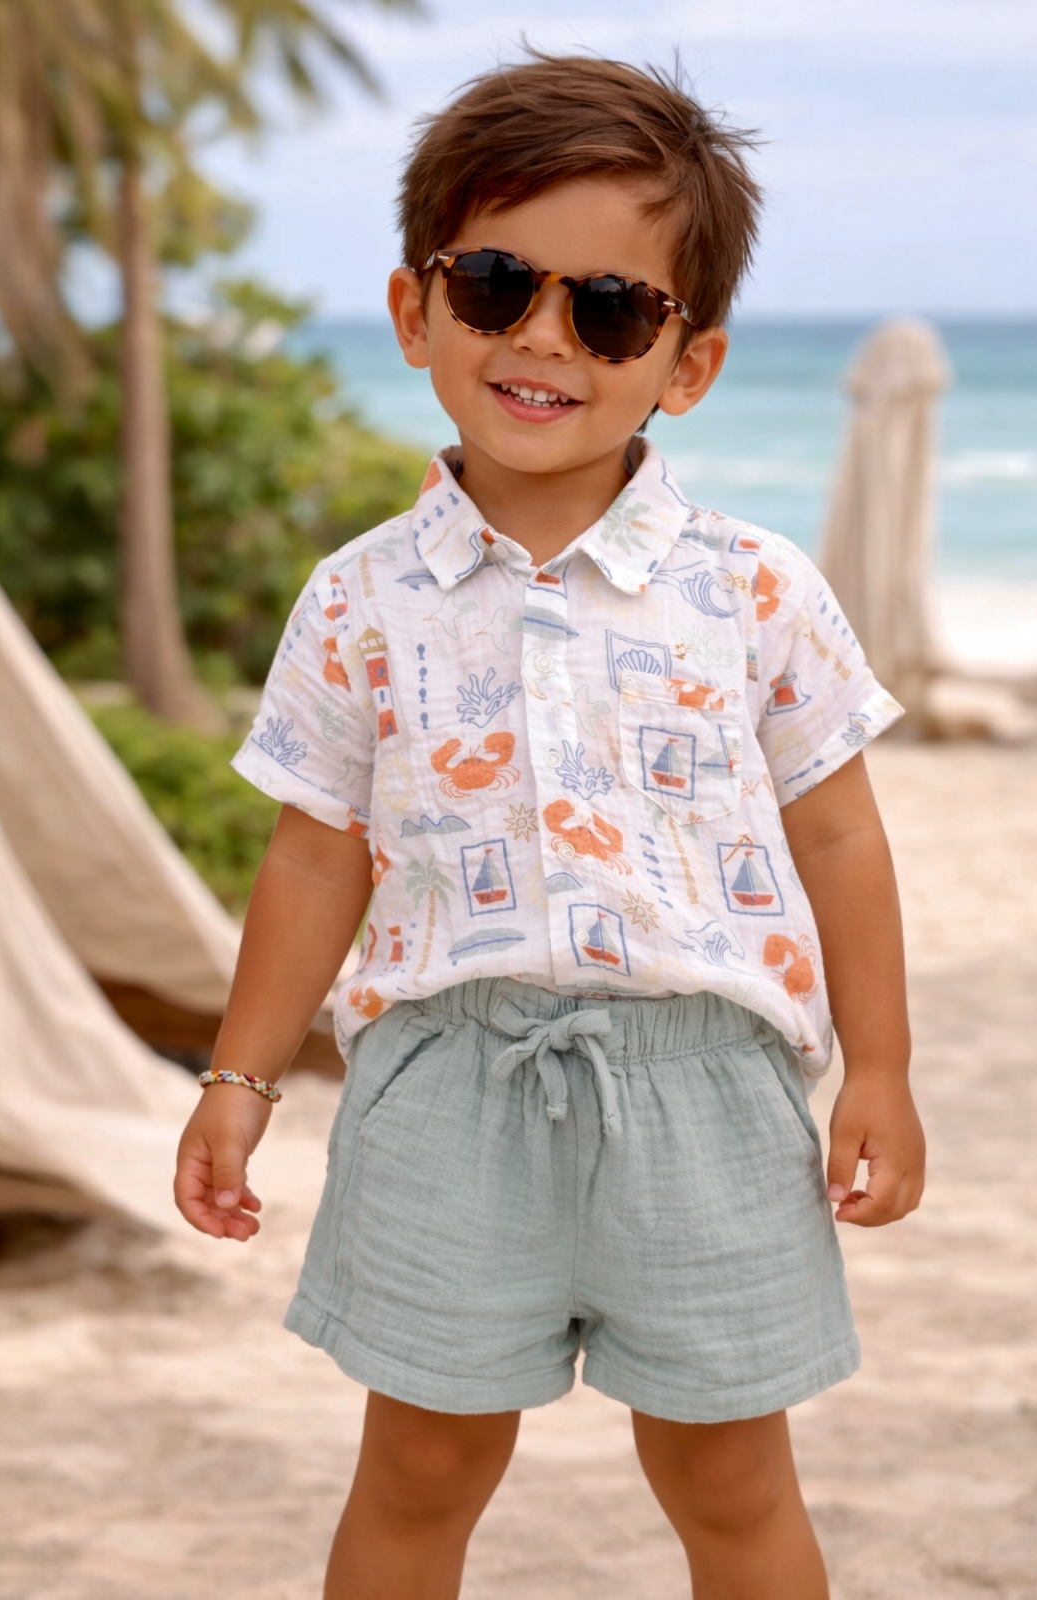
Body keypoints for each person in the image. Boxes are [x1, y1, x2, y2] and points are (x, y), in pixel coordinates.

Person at [175, 52, 925, 1600]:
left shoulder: (756, 588)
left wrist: (884, 1066)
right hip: (447, 1089)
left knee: (730, 1479)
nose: (541, 338)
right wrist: (239, 1078)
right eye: (497, 284)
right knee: (419, 1471)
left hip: (709, 1094)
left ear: (687, 363)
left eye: (610, 310)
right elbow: (317, 852)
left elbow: (842, 839)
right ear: (415, 311)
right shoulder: (359, 598)